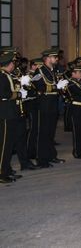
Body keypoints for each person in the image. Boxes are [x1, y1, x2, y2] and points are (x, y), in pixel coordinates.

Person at [0, 51, 22, 184]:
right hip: (5, 113)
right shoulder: (2, 76)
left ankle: (6, 169)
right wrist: (17, 94)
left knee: (9, 143)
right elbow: (4, 93)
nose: (14, 64)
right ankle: (1, 172)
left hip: (10, 112)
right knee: (4, 144)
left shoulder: (7, 75)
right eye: (13, 62)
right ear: (8, 64)